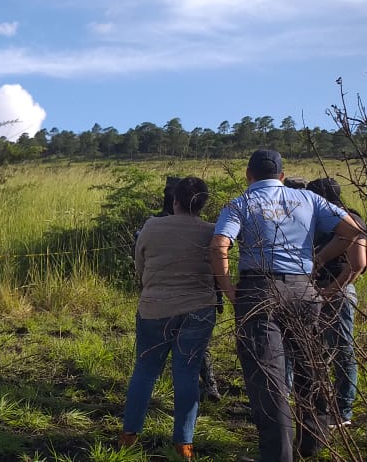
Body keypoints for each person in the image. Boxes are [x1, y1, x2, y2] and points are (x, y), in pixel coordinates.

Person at [210, 150, 365, 461]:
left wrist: (228, 289)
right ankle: (312, 443)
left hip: (259, 289)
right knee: (311, 367)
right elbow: (352, 231)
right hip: (303, 290)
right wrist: (318, 260)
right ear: (282, 175)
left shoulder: (240, 203)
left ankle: (277, 455)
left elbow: (218, 245)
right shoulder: (309, 199)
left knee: (269, 377)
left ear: (248, 175)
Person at [120, 177, 217, 460]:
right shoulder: (211, 231)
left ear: (174, 200)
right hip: (199, 310)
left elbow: (140, 265)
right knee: (187, 373)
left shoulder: (152, 226)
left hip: (154, 309)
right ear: (203, 204)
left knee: (145, 371)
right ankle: (183, 443)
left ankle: (129, 435)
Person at [141, 176, 223, 402]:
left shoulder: (153, 224)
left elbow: (140, 261)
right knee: (194, 353)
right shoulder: (204, 229)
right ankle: (209, 386)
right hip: (197, 300)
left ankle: (148, 394)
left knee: (150, 361)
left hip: (157, 300)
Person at [307, 177, 366, 429]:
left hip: (336, 291)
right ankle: (319, 405)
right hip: (316, 290)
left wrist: (330, 291)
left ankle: (342, 411)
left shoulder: (350, 220)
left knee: (342, 351)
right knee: (315, 350)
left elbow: (358, 264)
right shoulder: (323, 219)